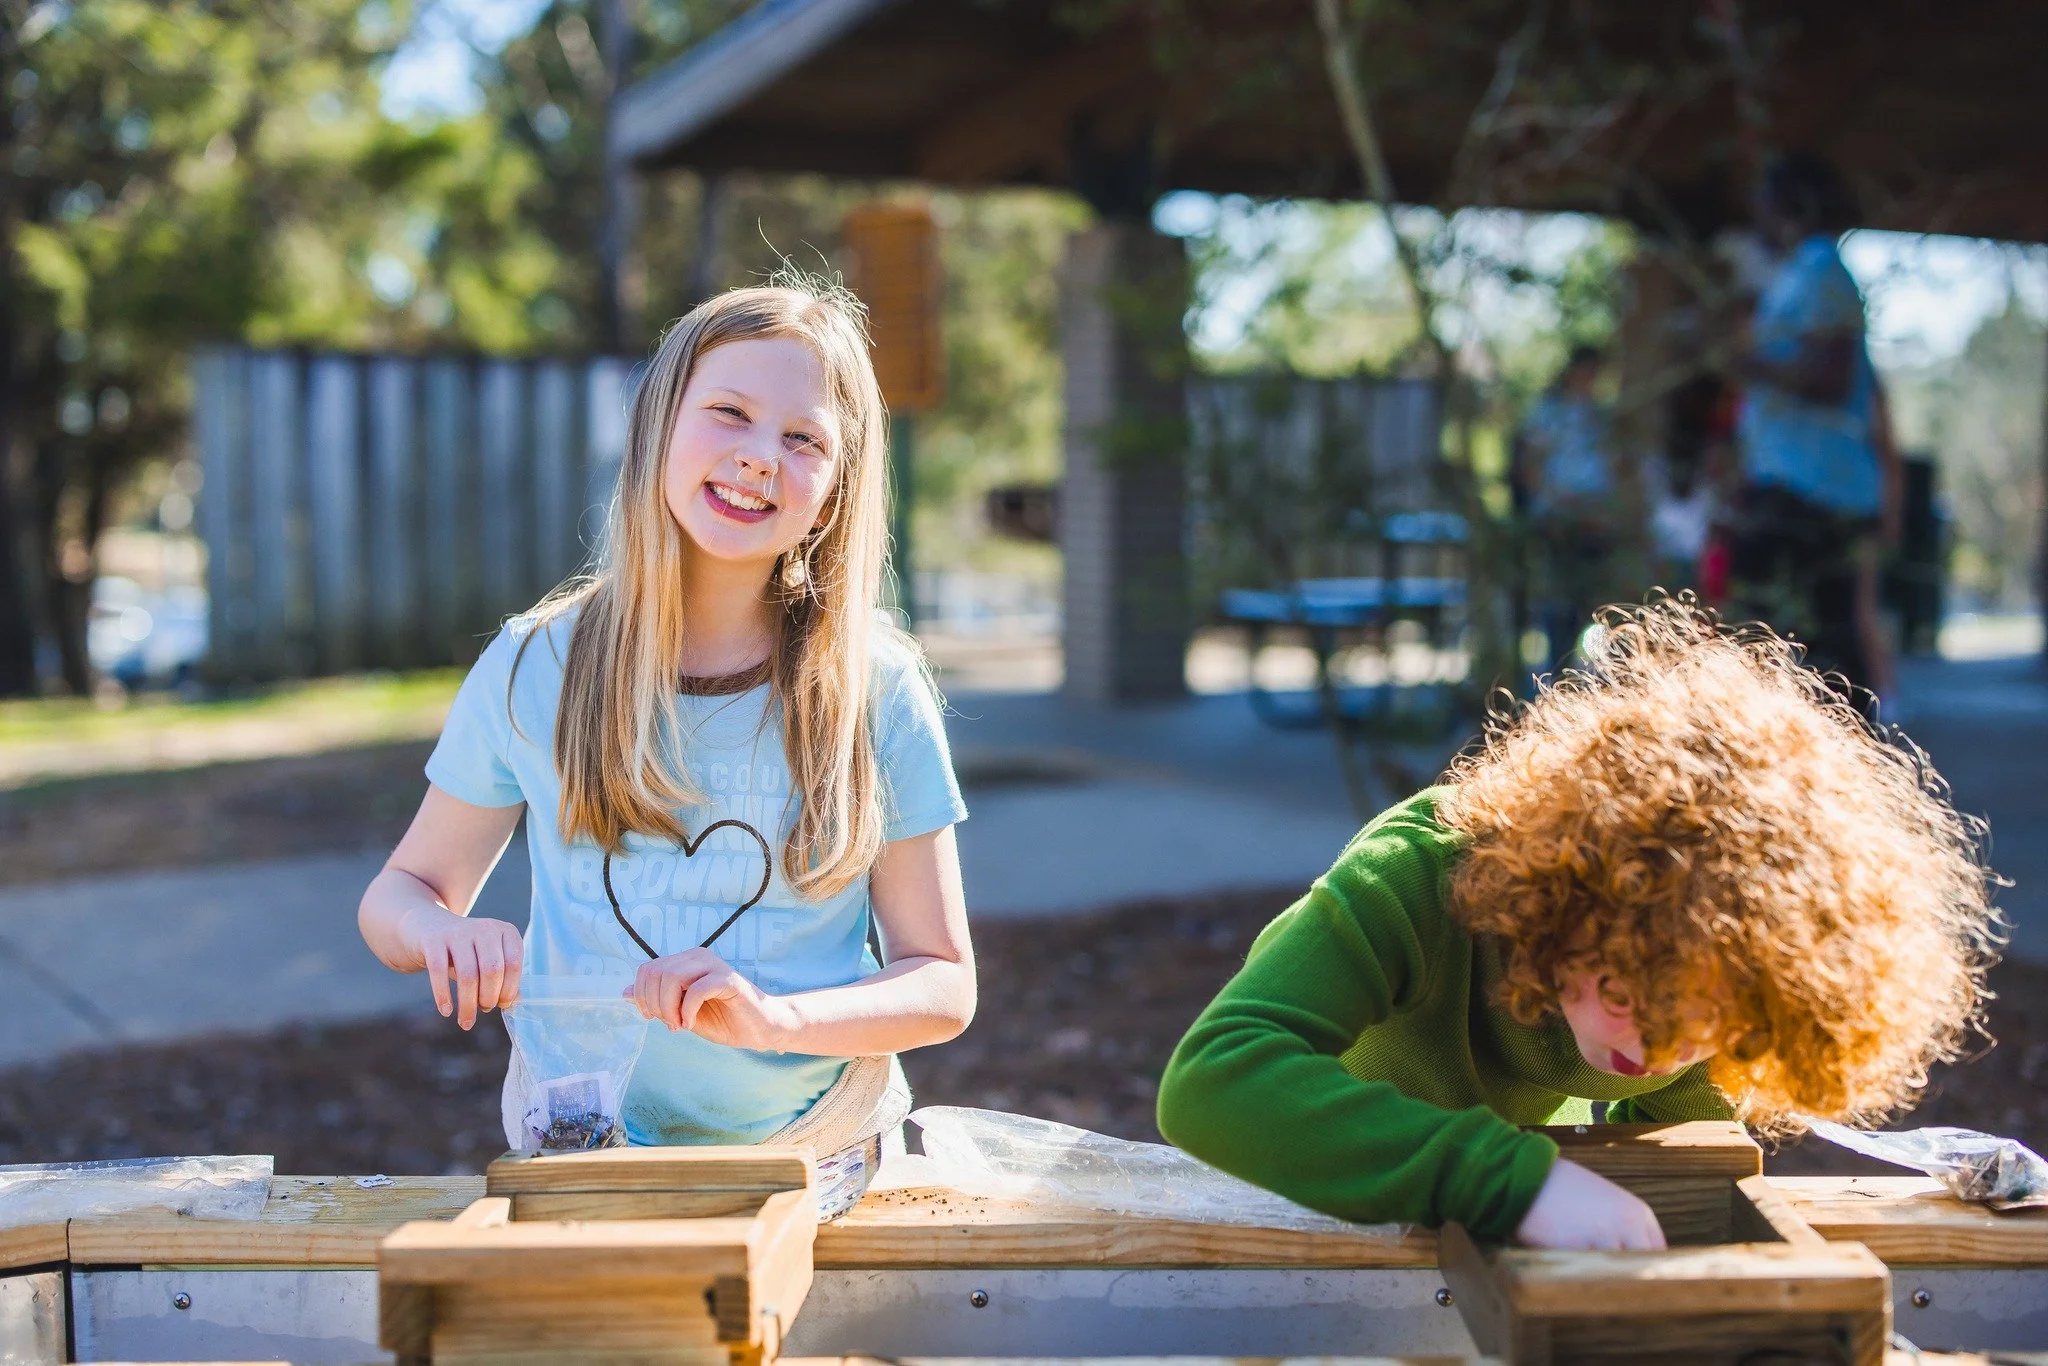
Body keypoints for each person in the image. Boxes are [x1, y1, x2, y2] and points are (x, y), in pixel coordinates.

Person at [358, 277, 975, 1216]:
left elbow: (942, 981)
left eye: (803, 438)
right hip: (579, 1141)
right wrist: (442, 932)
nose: (761, 457)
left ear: (837, 486)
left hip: (816, 1149)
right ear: (657, 424)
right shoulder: (538, 664)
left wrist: (778, 1020)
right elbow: (398, 895)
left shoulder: (876, 688)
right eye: (730, 412)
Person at [1156, 596, 1997, 1250]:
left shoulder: (1690, 1013)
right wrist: (1515, 1184)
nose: (1667, 1048)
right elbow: (1209, 1084)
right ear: (1581, 902)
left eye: (1719, 1023)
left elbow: (1677, 1150)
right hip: (1295, 1224)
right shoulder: (1418, 874)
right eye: (1642, 991)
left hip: (1466, 1259)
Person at [1727, 152, 1886, 696]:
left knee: (1818, 646)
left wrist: (1750, 365)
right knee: (1798, 640)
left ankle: (1855, 769)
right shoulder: (1799, 275)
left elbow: (1832, 377)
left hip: (1812, 494)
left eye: (1764, 205)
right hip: (1795, 485)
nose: (1757, 217)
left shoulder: (1821, 271)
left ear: (1788, 206)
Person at [1512, 346, 1619, 678]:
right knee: (1556, 615)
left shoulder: (1599, 417)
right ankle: (1551, 688)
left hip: (1594, 529)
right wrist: (1560, 506)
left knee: (1591, 617)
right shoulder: (1548, 414)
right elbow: (1530, 469)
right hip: (1557, 526)